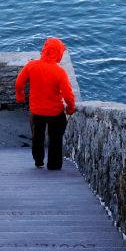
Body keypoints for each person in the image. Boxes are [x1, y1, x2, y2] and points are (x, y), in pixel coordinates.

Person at [15, 37, 76, 170]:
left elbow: (19, 82)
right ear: (58, 53)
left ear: (44, 50)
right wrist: (70, 109)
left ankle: (38, 161)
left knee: (37, 137)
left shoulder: (31, 65)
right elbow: (68, 96)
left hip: (36, 111)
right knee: (55, 138)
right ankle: (54, 165)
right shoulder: (60, 72)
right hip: (55, 112)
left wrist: (20, 98)